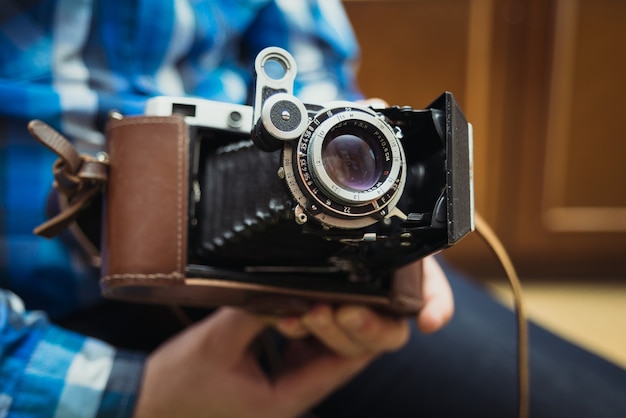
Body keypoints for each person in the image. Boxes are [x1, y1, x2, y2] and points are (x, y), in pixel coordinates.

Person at [1, 1, 625, 418]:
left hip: (290, 289)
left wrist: (345, 156)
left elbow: (313, 59)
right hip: (50, 308)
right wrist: (127, 397)